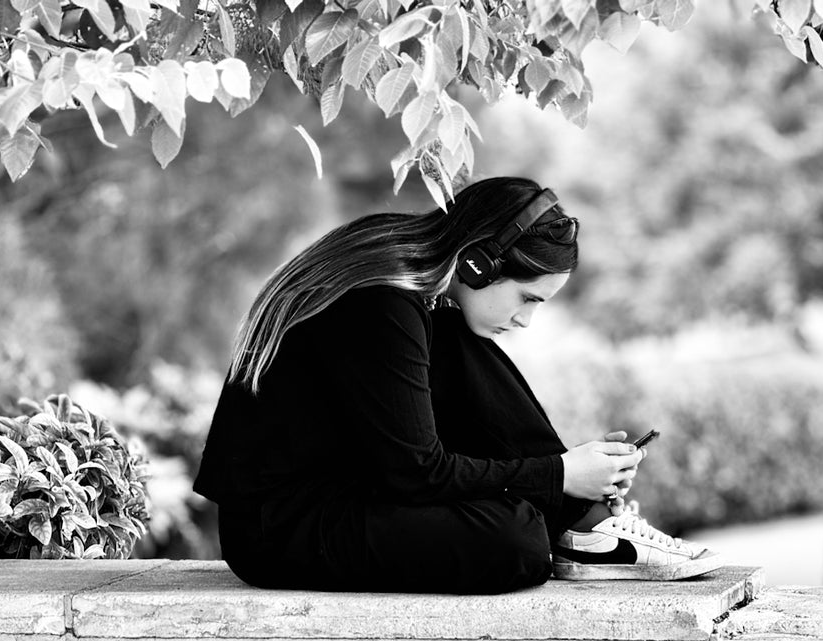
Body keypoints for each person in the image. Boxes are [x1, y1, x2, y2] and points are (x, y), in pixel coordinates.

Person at [193, 176, 721, 594]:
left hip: (345, 489)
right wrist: (557, 474)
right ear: (478, 262)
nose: (524, 322)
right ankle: (579, 523)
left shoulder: (410, 287)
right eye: (527, 299)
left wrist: (563, 479)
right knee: (515, 543)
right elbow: (417, 473)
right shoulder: (382, 301)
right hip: (281, 527)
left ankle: (587, 526)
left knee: (456, 335)